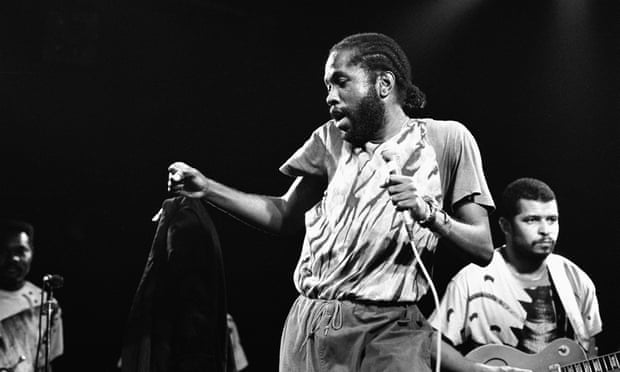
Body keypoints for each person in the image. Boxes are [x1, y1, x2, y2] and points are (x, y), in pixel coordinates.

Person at [167, 32, 507, 371]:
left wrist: (428, 214)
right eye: (328, 86)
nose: (331, 97)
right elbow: (284, 215)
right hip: (315, 323)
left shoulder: (447, 139)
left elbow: (482, 247)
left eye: (341, 82)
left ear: (383, 84)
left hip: (394, 329)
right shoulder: (329, 138)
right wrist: (207, 188)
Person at [430, 178, 602, 360]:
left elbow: (588, 351)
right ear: (505, 226)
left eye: (552, 220)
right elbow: (431, 345)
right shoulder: (471, 279)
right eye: (531, 220)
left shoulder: (575, 278)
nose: (545, 230)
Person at [0, 220, 64, 372]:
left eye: (20, 251)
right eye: (3, 251)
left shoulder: (45, 305)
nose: (13, 258)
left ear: (32, 252)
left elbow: (46, 363)